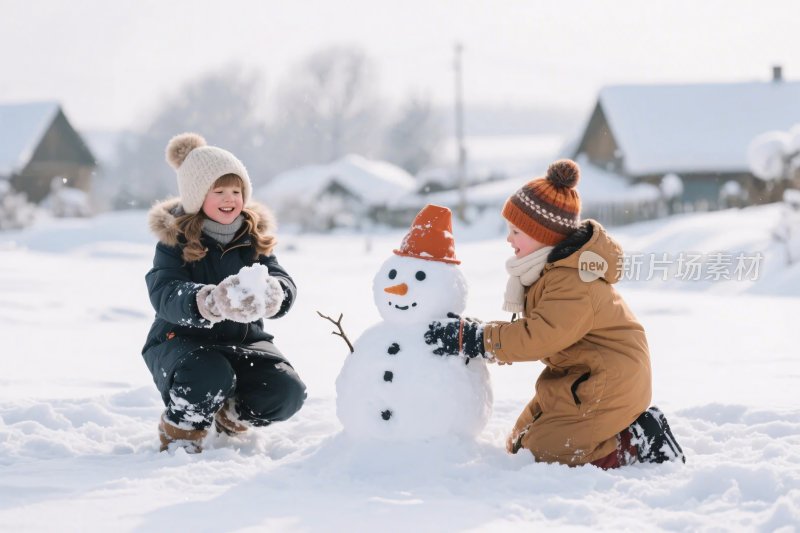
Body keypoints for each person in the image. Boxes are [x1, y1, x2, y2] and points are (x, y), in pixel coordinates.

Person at [424, 159, 685, 469]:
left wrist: (476, 339)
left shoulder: (572, 280)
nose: (509, 239)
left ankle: (636, 438)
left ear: (544, 235)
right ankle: (613, 433)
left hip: (610, 382)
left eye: (516, 231)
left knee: (547, 454)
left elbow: (539, 336)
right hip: (576, 376)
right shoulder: (549, 271)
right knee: (520, 443)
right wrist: (478, 334)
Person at [142, 132, 306, 453]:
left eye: (236, 191)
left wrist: (275, 293)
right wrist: (206, 301)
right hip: (183, 342)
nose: (229, 198)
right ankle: (182, 432)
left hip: (244, 340)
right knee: (208, 375)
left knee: (285, 391)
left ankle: (231, 414)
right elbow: (164, 290)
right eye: (218, 191)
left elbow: (280, 278)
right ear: (196, 196)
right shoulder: (175, 241)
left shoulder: (252, 237)